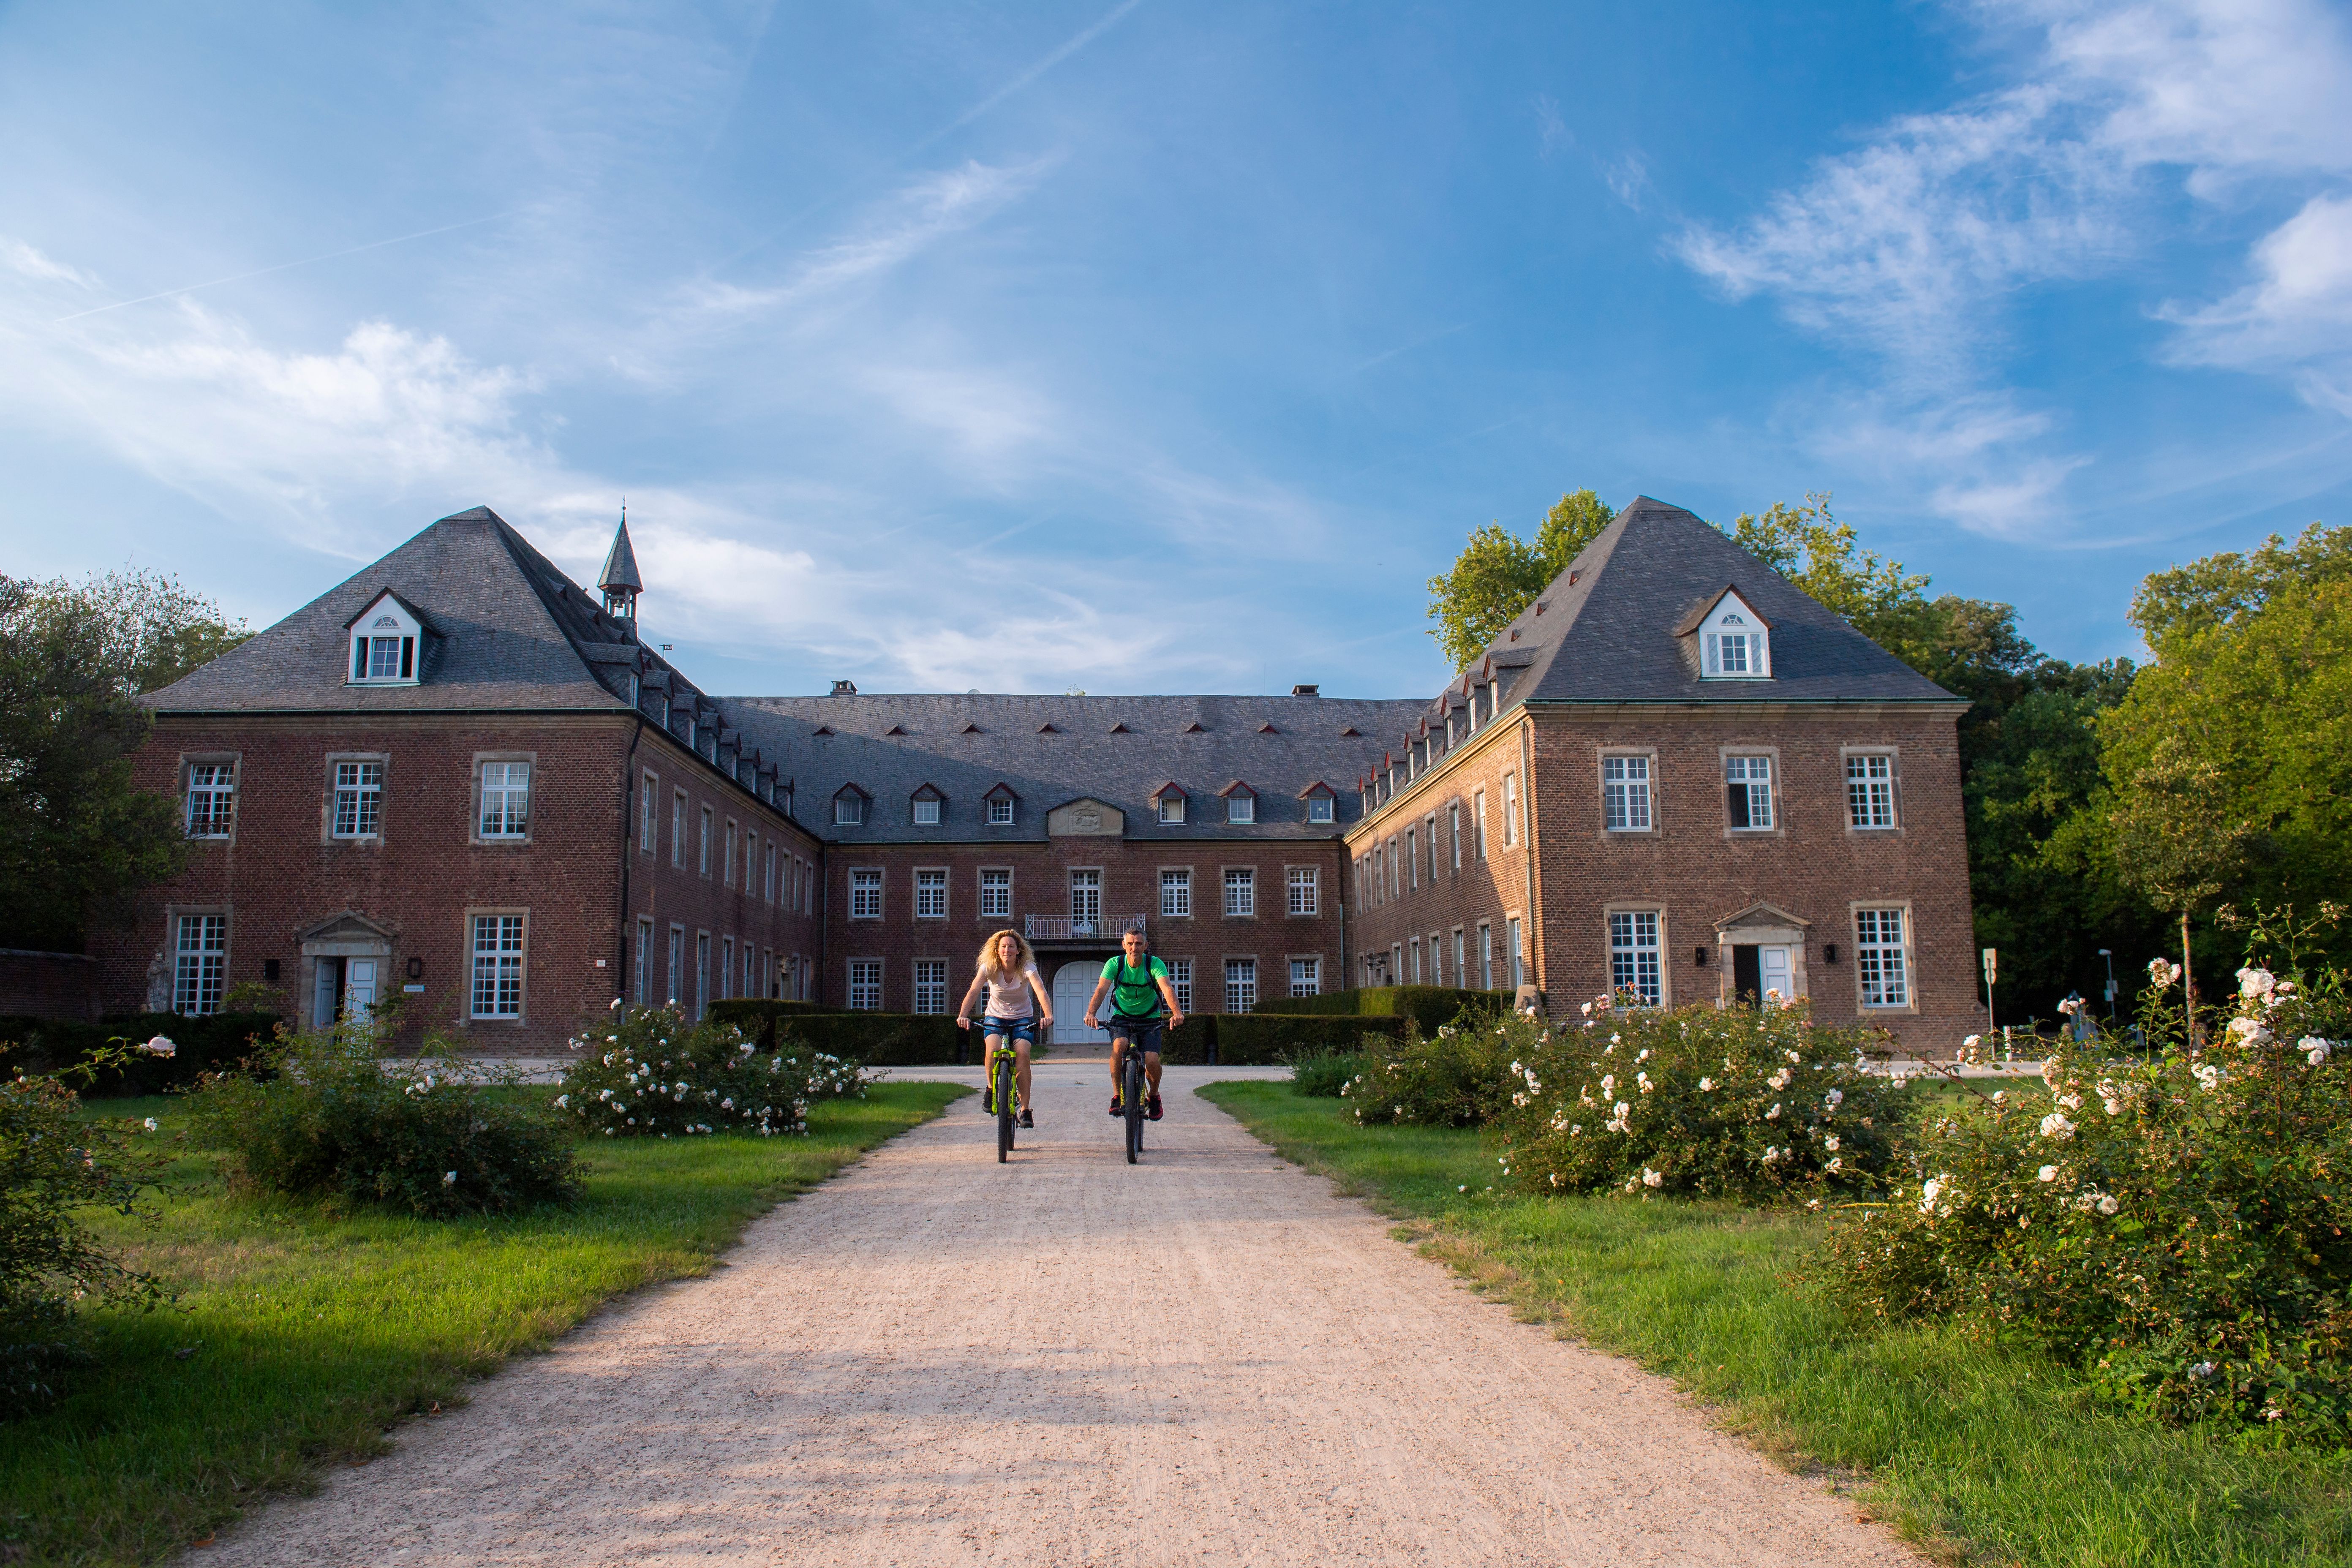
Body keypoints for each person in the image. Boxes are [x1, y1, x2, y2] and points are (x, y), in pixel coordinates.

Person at [1083, 927, 1184, 1120]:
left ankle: (1154, 1096)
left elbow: (1167, 988)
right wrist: (1091, 1013)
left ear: (1146, 946)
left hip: (1149, 1018)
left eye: (1139, 944)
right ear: (1124, 945)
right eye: (1130, 943)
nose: (1134, 948)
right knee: (1119, 1046)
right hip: (1123, 1016)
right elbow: (1101, 990)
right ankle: (1117, 1095)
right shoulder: (1115, 964)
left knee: (1152, 1060)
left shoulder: (1154, 964)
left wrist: (1177, 1013)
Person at [956, 929, 1052, 1128]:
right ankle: (992, 1088)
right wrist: (963, 1015)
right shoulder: (989, 968)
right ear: (997, 951)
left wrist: (1048, 1015)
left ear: (1018, 951)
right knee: (991, 1049)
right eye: (1004, 947)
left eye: (1011, 947)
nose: (1007, 950)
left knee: (1023, 1055)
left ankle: (1025, 1110)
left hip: (1022, 1018)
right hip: (995, 1017)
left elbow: (1040, 990)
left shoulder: (1027, 967)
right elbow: (974, 990)